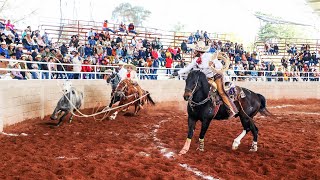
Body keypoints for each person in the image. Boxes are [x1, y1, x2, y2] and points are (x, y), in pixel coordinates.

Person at [172, 41, 238, 119]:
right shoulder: (196, 60)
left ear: (199, 51)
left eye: (195, 50)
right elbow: (188, 68)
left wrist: (213, 64)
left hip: (216, 76)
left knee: (221, 91)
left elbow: (219, 65)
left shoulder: (210, 56)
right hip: (207, 78)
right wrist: (178, 72)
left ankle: (231, 109)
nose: (194, 52)